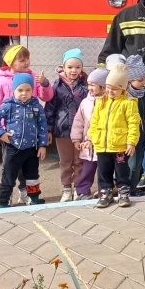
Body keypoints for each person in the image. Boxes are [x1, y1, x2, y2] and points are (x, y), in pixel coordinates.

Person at [0, 44, 54, 205]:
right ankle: (6, 198)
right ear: (10, 62)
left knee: (30, 171)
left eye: (27, 59)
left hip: (30, 140)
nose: (26, 63)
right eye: (21, 60)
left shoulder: (33, 78)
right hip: (10, 137)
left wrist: (44, 83)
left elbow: (46, 98)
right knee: (11, 169)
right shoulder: (1, 81)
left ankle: (27, 195)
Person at [87, 63, 140, 208]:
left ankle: (123, 193)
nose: (110, 91)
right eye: (108, 87)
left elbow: (133, 123)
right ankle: (105, 193)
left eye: (114, 89)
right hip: (102, 145)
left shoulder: (129, 103)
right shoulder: (101, 101)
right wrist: (91, 137)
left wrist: (131, 142)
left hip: (120, 145)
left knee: (122, 170)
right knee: (104, 170)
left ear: (123, 88)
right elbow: (95, 121)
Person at [45, 49, 89, 203]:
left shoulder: (86, 85)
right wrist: (48, 129)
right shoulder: (57, 85)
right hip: (61, 130)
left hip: (81, 131)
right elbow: (50, 107)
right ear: (63, 67)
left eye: (77, 67)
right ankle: (66, 188)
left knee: (79, 161)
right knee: (65, 161)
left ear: (81, 68)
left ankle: (78, 188)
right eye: (70, 67)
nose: (73, 70)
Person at [70, 67, 108, 200]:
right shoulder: (85, 102)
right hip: (87, 145)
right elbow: (78, 121)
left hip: (103, 144)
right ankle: (82, 192)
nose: (89, 88)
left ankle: (104, 191)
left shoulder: (109, 103)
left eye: (93, 85)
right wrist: (76, 139)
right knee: (87, 170)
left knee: (104, 170)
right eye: (89, 84)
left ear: (103, 87)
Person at [125, 54, 145, 196]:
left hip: (142, 132)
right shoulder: (126, 95)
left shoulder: (144, 92)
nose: (143, 82)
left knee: (138, 163)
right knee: (131, 163)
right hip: (130, 136)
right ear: (129, 80)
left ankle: (134, 188)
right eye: (140, 80)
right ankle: (126, 189)